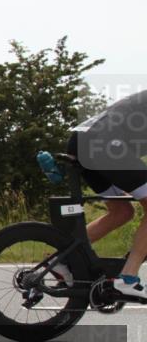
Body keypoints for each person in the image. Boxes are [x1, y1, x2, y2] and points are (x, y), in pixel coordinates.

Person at [61, 90, 147, 300]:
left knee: (122, 212)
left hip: (84, 140)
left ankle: (62, 258)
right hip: (105, 142)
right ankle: (128, 279)